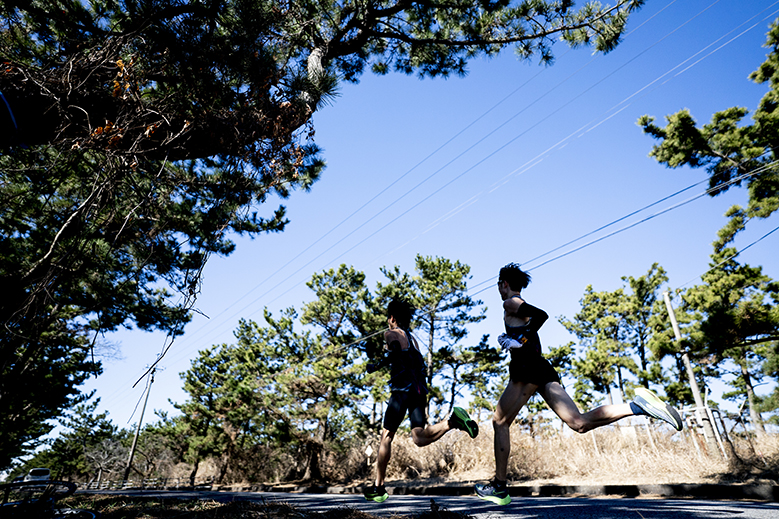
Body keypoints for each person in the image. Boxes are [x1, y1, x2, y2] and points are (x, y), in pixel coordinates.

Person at [475, 263, 683, 506]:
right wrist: (520, 336)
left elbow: (541, 316)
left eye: (499, 285)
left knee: (500, 422)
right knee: (578, 423)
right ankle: (638, 407)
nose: (499, 290)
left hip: (527, 370)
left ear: (504, 284)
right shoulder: (517, 306)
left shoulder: (510, 302)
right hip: (541, 369)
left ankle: (499, 487)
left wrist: (519, 337)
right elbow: (534, 323)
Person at [363, 298, 479, 503]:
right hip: (419, 391)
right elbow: (411, 358)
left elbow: (396, 350)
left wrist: (377, 365)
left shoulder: (390, 333)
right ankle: (452, 422)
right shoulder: (413, 339)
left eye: (388, 319)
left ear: (392, 318)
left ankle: (379, 487)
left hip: (401, 391)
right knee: (418, 437)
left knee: (386, 437)